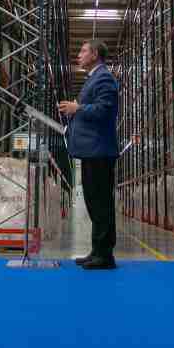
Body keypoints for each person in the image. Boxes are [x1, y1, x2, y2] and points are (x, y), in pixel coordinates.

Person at [59, 40, 121, 270]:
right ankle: (97, 250)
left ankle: (105, 256)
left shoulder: (103, 77)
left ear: (95, 54)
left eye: (83, 51)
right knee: (94, 203)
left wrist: (79, 108)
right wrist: (74, 109)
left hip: (99, 151)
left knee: (101, 203)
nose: (79, 55)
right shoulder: (93, 79)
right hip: (91, 151)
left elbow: (106, 110)